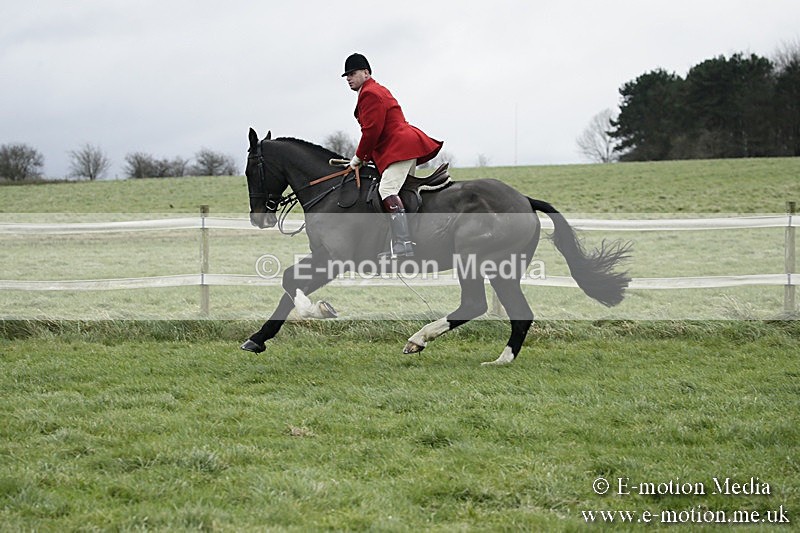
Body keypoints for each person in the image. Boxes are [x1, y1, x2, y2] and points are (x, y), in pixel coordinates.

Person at [342, 53, 443, 258]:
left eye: (352, 74)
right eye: (346, 76)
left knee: (387, 189)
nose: (349, 79)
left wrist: (358, 158)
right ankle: (407, 239)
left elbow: (371, 131)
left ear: (366, 73)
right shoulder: (372, 91)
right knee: (402, 192)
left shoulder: (370, 93)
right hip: (400, 146)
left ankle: (403, 244)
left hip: (399, 146)